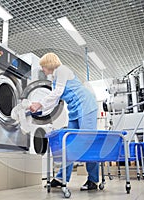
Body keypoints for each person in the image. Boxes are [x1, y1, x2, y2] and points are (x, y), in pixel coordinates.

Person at [29, 52, 99, 191]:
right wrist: (39, 111)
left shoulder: (62, 70)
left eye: (43, 66)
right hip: (74, 111)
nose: (43, 70)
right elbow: (54, 101)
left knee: (87, 142)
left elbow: (57, 93)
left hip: (86, 106)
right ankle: (62, 178)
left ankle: (93, 179)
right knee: (68, 144)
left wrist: (39, 104)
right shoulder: (55, 79)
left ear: (49, 63)